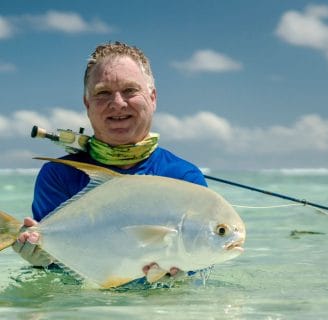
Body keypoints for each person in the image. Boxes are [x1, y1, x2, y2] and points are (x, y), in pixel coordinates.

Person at [13, 42, 207, 278]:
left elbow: (202, 260)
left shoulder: (184, 177)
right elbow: (58, 273)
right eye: (103, 92)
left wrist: (181, 281)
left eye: (130, 91)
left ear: (153, 98)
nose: (117, 103)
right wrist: (40, 260)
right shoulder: (58, 174)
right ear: (87, 104)